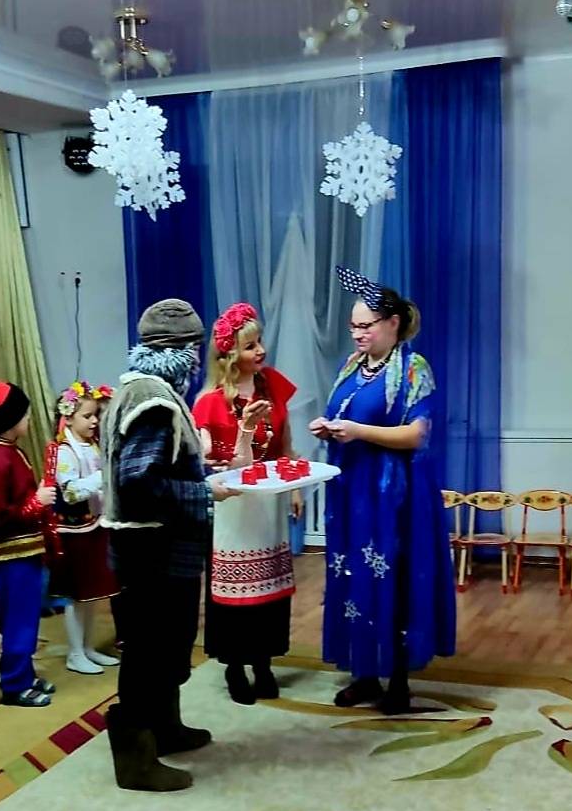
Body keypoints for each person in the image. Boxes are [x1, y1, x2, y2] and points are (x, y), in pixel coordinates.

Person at [100, 298, 238, 792]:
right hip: (151, 551)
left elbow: (156, 468)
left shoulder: (135, 388)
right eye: (195, 350)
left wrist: (201, 473)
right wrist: (204, 491)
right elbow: (139, 481)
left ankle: (164, 728)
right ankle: (136, 760)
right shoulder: (154, 403)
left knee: (165, 644)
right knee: (149, 650)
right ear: (184, 352)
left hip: (151, 548)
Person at [309, 268, 456, 715]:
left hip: (395, 497)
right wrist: (330, 429)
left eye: (365, 325)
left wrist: (358, 431)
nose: (357, 334)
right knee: (355, 575)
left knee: (394, 577)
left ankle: (398, 680)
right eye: (352, 326)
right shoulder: (351, 367)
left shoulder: (413, 368)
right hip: (352, 493)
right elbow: (350, 417)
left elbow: (417, 434)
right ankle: (365, 673)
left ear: (392, 323)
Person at [192, 302, 302, 705]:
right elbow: (209, 463)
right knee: (234, 591)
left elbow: (285, 442)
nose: (261, 351)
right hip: (232, 506)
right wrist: (242, 433)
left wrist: (294, 488)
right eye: (250, 345)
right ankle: (235, 664)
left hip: (268, 502)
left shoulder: (272, 385)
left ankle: (264, 662)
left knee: (269, 586)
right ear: (229, 354)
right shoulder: (209, 402)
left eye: (260, 342)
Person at [0, 381, 57, 708]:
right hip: (11, 555)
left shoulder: (11, 452)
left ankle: (25, 675)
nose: (29, 420)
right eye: (25, 415)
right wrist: (36, 503)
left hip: (25, 550)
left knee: (27, 616)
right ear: (10, 421)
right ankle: (14, 686)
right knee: (18, 619)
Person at [46, 380, 119, 675]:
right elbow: (71, 492)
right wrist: (102, 477)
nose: (94, 421)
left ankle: (88, 648)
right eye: (87, 416)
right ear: (68, 417)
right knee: (76, 596)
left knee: (91, 595)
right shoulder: (65, 451)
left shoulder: (91, 445)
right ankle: (75, 652)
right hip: (74, 533)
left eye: (95, 415)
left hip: (95, 527)